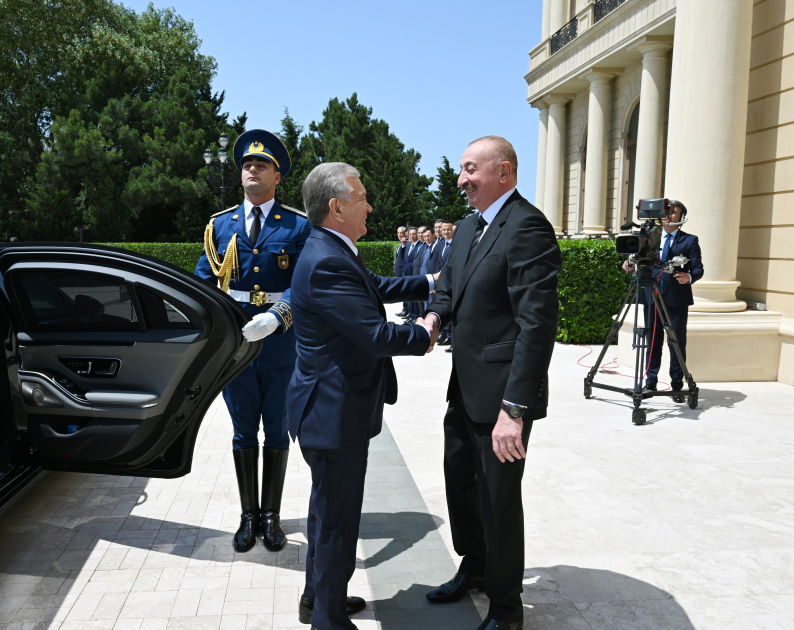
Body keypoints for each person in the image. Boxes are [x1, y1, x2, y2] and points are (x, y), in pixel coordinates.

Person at [286, 162, 439, 630]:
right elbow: (374, 335)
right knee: (336, 523)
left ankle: (318, 598)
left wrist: (433, 282)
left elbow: (374, 288)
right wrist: (426, 330)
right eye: (362, 196)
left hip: (329, 410)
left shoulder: (331, 248)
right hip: (333, 415)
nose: (370, 204)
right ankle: (328, 621)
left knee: (326, 513)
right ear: (336, 207)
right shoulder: (328, 259)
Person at [423, 136, 561, 630]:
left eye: (469, 170)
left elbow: (537, 326)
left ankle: (505, 609)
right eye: (462, 170)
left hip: (503, 400)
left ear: (503, 171)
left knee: (499, 501)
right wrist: (433, 322)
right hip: (465, 389)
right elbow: (447, 290)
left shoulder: (527, 227)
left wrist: (515, 410)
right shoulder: (466, 229)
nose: (461, 180)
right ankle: (475, 567)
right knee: (460, 483)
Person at [196, 129, 311, 554]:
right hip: (237, 348)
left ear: (276, 176)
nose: (251, 169)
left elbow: (306, 287)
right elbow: (204, 284)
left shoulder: (298, 226)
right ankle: (248, 516)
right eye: (246, 164)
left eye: (261, 165)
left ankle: (272, 517)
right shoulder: (219, 225)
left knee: (276, 432)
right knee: (244, 431)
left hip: (281, 346)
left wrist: (278, 315)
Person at [621, 200, 703, 401]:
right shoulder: (649, 238)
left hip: (676, 300)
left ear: (681, 217)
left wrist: (689, 277)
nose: (668, 215)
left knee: (676, 343)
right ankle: (650, 382)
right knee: (652, 342)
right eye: (666, 212)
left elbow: (698, 268)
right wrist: (629, 265)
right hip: (652, 297)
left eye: (673, 212)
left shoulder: (690, 240)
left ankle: (676, 386)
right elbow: (639, 260)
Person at [436, 220, 454, 347]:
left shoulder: (456, 245)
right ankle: (447, 335)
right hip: (443, 282)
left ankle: (452, 337)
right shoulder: (443, 245)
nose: (446, 232)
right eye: (444, 230)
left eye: (448, 229)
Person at [418, 223, 444, 312]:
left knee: (433, 303)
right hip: (426, 279)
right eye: (425, 236)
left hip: (434, 279)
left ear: (433, 235)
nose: (426, 238)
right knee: (426, 302)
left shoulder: (442, 243)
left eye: (428, 236)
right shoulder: (427, 246)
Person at [401, 227, 422, 322]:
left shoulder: (420, 246)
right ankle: (411, 314)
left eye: (414, 234)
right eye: (410, 234)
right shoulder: (409, 245)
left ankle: (415, 315)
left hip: (414, 274)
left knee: (415, 296)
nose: (412, 236)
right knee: (409, 296)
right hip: (407, 274)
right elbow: (405, 261)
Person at [394, 226, 409, 317]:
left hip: (404, 272)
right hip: (399, 272)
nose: (400, 235)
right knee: (403, 292)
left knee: (405, 291)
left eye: (401, 233)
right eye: (398, 233)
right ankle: (405, 309)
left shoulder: (406, 243)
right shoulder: (400, 243)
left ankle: (407, 310)